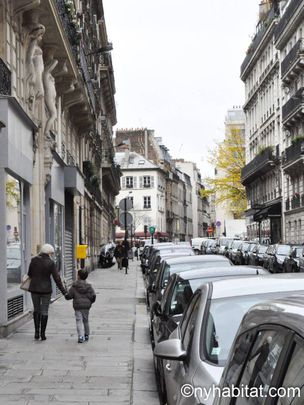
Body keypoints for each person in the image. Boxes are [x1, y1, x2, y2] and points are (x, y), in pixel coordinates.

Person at [27, 243, 67, 341]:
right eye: (51, 253)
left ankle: (36, 333)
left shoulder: (34, 260)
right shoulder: (51, 263)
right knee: (44, 310)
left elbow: (29, 274)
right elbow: (57, 278)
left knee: (36, 310)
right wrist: (64, 292)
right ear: (49, 253)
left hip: (34, 289)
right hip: (46, 290)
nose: (52, 255)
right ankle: (43, 334)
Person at [65, 269, 96, 343]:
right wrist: (90, 302)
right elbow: (93, 296)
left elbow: (69, 296)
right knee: (86, 321)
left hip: (78, 306)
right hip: (86, 306)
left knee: (79, 321)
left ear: (78, 276)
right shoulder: (89, 286)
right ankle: (86, 335)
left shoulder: (74, 286)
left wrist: (66, 294)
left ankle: (80, 337)